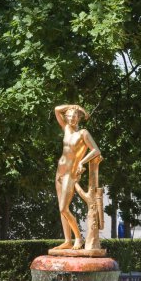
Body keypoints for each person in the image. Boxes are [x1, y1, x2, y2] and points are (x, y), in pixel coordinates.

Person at [53, 104, 101, 250]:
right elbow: (56, 109)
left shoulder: (83, 133)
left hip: (70, 173)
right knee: (61, 208)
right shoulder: (66, 129)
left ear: (79, 118)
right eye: (69, 117)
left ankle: (78, 238)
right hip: (59, 172)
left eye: (74, 116)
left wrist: (82, 161)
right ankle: (68, 240)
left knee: (63, 208)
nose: (71, 119)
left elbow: (96, 151)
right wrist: (74, 106)